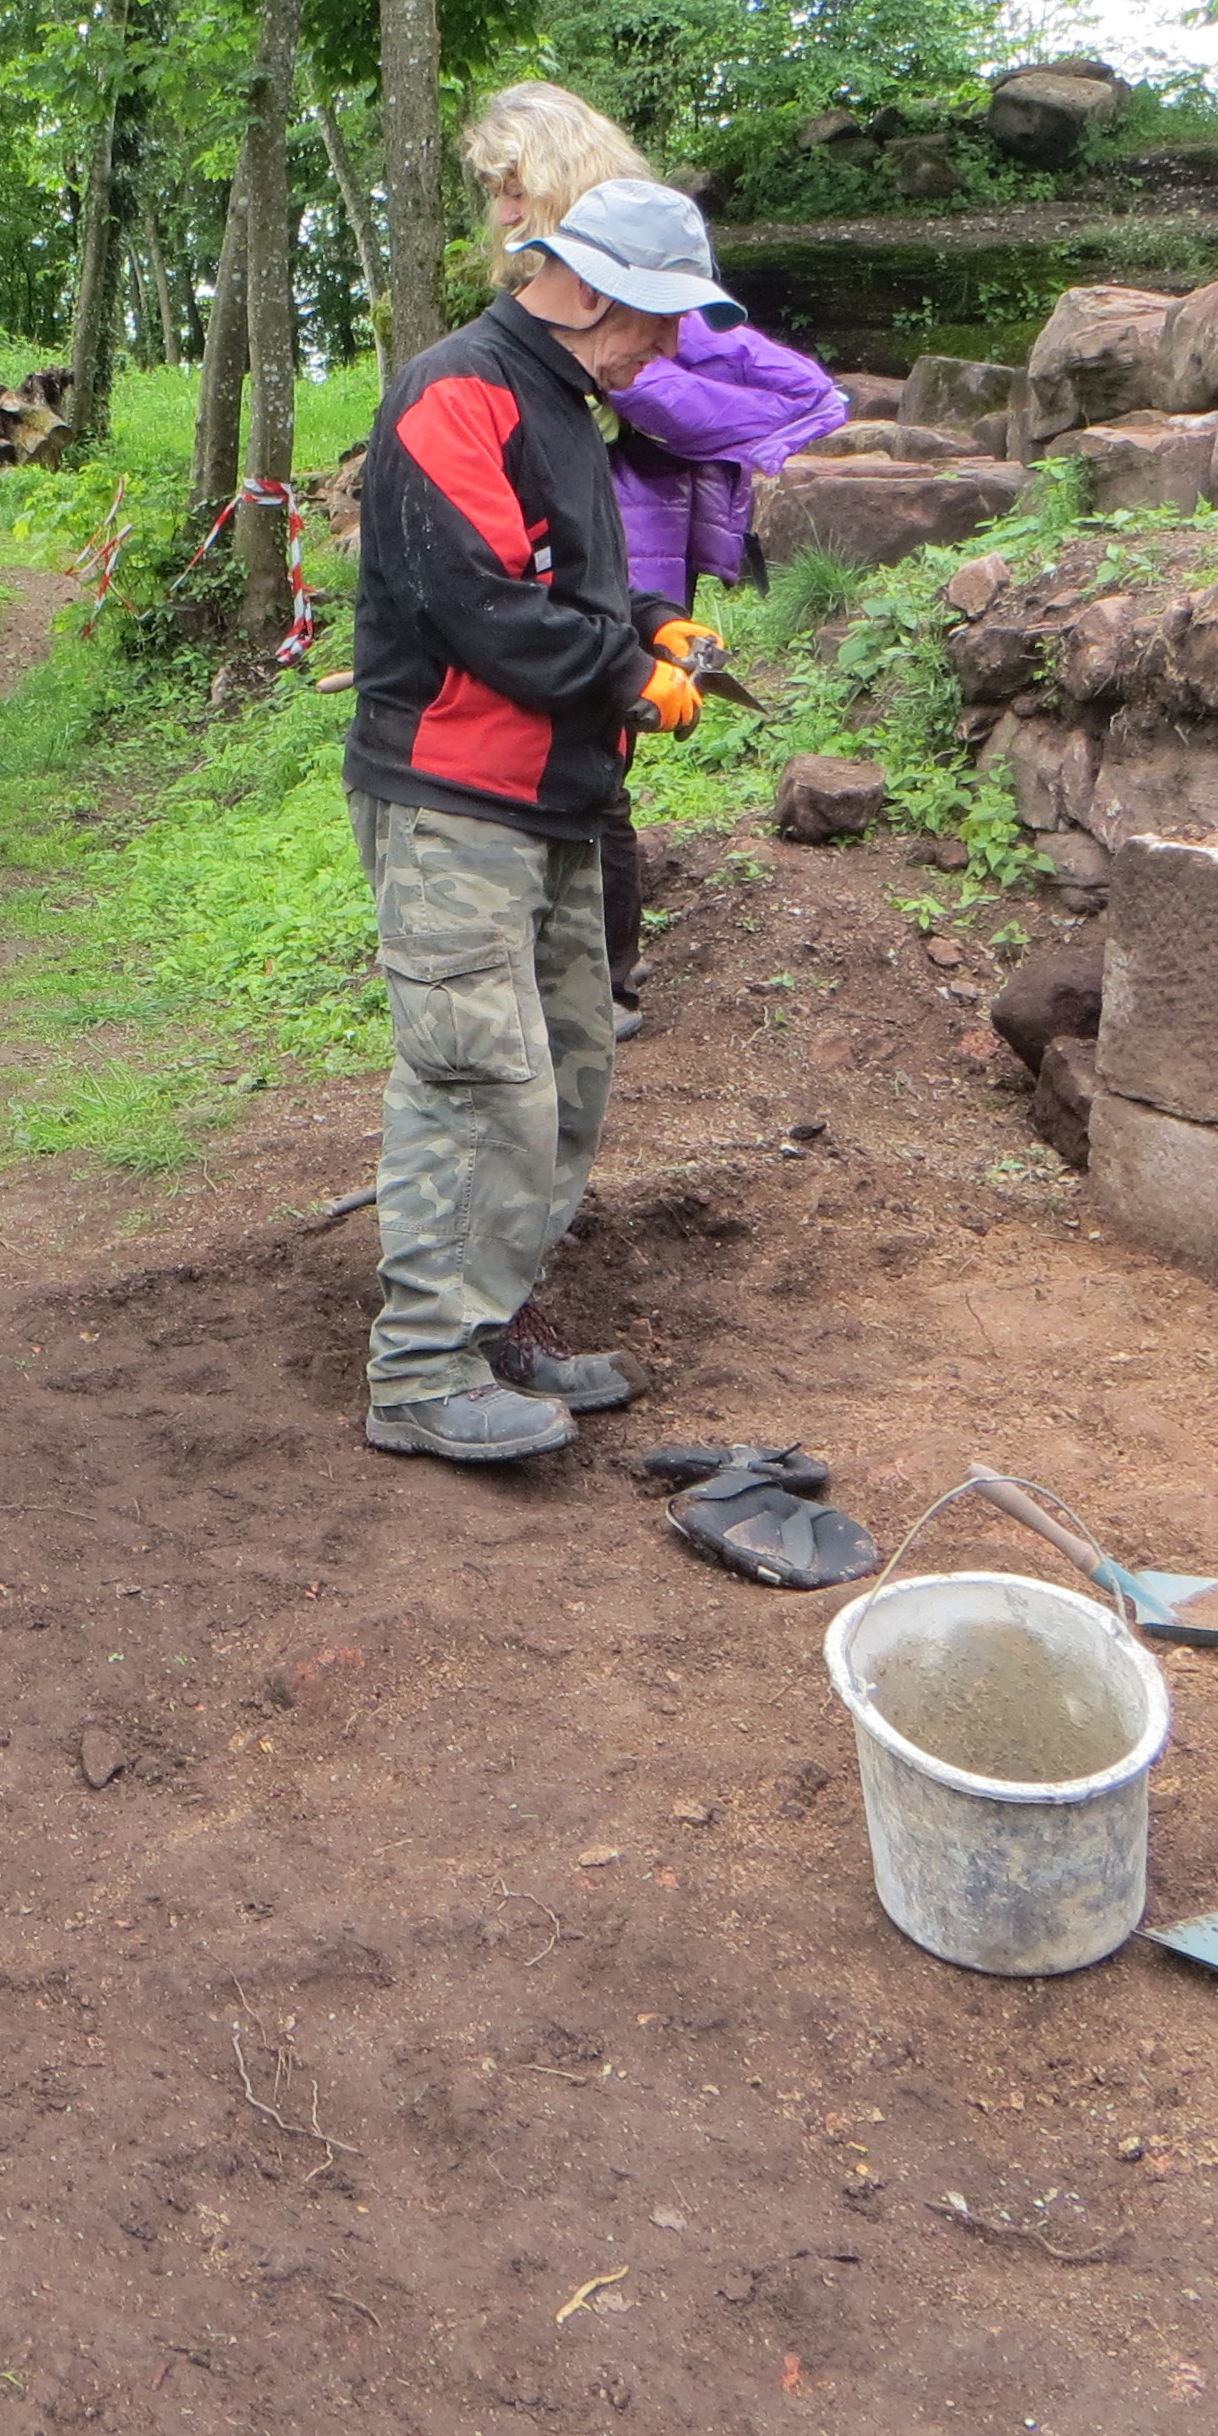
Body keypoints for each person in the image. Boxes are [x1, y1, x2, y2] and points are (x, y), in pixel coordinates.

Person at [348, 175, 741, 1464]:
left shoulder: (565, 405)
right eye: (656, 315)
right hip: (455, 800)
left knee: (567, 1074)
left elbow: (560, 583)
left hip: (557, 802)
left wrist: (652, 626)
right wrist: (627, 678)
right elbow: (479, 608)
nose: (666, 344)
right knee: (479, 1085)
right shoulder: (456, 389)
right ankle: (419, 1375)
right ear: (584, 288)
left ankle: (490, 1328)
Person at [463, 84, 845, 1017]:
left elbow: (804, 396)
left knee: (599, 780)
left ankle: (607, 989)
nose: (501, 212)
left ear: (561, 182)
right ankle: (555, 980)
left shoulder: (658, 316)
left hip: (634, 566)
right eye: (495, 191)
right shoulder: (529, 333)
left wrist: (628, 387)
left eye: (513, 187)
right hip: (570, 565)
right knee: (557, 768)